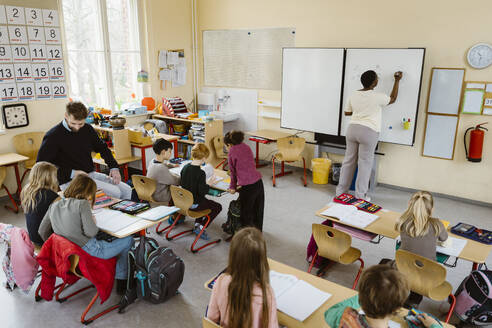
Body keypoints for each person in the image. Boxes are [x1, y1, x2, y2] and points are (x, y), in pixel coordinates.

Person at [38, 175, 133, 294]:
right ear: (89, 193)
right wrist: (93, 221)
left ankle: (121, 276)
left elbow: (42, 230)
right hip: (91, 252)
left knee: (110, 238)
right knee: (127, 239)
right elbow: (91, 232)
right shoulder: (82, 204)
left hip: (69, 256)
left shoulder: (54, 206)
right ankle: (122, 282)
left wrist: (60, 244)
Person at [37, 101, 132, 199]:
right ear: (66, 116)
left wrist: (114, 167)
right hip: (69, 180)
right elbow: (41, 165)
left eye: (80, 124)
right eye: (73, 123)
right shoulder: (53, 135)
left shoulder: (87, 129)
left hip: (89, 174)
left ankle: (127, 213)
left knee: (127, 190)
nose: (77, 127)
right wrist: (72, 173)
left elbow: (102, 148)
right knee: (115, 192)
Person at [336, 70, 402, 200]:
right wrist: (397, 80)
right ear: (374, 82)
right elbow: (393, 99)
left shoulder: (353, 94)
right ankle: (360, 196)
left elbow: (347, 113)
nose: (378, 80)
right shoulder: (378, 96)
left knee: (348, 161)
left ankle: (340, 193)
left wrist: (360, 111)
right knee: (364, 164)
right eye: (377, 78)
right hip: (369, 132)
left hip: (352, 130)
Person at [324, 264, 443, 328]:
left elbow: (329, 312)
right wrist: (434, 325)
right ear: (397, 309)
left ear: (361, 299)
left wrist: (363, 296)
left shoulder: (346, 318)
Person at [207, 227, 278, 328]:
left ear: (233, 256)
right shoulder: (266, 293)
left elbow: (211, 318)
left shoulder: (221, 281)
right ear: (261, 261)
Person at [180, 143, 222, 240]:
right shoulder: (201, 173)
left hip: (183, 201)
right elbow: (202, 192)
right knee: (217, 207)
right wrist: (209, 184)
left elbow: (184, 183)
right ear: (203, 158)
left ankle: (197, 224)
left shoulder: (185, 168)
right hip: (194, 204)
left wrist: (203, 184)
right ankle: (201, 227)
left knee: (205, 201)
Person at [224, 131, 265, 230]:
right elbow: (247, 166)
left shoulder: (232, 152)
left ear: (229, 144)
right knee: (258, 211)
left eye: (225, 146)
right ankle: (258, 235)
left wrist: (232, 187)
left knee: (246, 215)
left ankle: (247, 239)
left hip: (248, 187)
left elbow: (233, 173)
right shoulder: (246, 147)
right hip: (258, 183)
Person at [395, 191, 448, 261]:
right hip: (428, 270)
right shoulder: (437, 224)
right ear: (432, 208)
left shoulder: (402, 220)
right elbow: (444, 238)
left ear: (409, 205)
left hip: (403, 266)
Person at [20, 161, 59, 246]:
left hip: (33, 237)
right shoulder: (52, 196)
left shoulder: (26, 190)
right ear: (48, 178)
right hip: (46, 239)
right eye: (55, 176)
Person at [146, 138, 179, 204]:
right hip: (161, 197)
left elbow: (164, 164)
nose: (170, 153)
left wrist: (171, 165)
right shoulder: (161, 168)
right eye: (169, 151)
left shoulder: (152, 161)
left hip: (152, 193)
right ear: (163, 152)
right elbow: (176, 181)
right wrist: (179, 174)